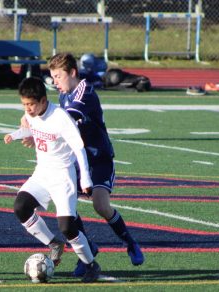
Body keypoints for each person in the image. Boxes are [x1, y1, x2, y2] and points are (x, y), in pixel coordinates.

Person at [28, 53, 145, 277]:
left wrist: (37, 121)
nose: (55, 82)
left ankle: (130, 242)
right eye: (52, 77)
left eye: (58, 77)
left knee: (101, 205)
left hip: (98, 158)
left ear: (72, 73)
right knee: (67, 208)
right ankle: (87, 250)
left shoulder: (85, 92)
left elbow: (68, 117)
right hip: (76, 160)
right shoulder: (64, 95)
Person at [4, 77, 101, 283]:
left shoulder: (60, 117)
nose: (27, 109)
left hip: (63, 176)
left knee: (67, 227)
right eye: (24, 104)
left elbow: (79, 148)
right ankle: (54, 244)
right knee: (21, 207)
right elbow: (33, 127)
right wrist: (15, 134)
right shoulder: (31, 113)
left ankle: (91, 265)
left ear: (43, 100)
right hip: (42, 173)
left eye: (31, 104)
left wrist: (85, 179)